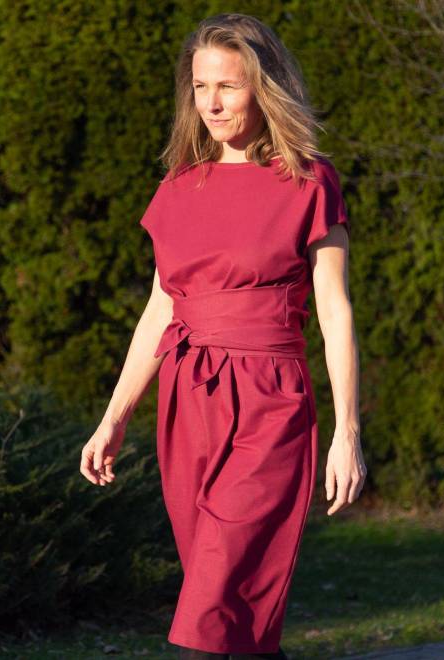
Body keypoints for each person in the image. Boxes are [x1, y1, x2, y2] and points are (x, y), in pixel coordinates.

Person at [80, 12, 366, 660]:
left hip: (270, 404)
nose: (211, 103)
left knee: (208, 613)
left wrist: (347, 432)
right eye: (201, 86)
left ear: (264, 89)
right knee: (234, 615)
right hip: (187, 405)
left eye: (228, 87)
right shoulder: (180, 185)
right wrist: (113, 418)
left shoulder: (309, 181)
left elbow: (335, 311)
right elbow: (161, 309)